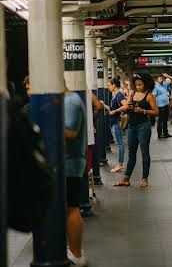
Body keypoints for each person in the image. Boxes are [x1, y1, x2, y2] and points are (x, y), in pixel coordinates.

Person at [115, 73, 158, 187]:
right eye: (136, 84)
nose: (138, 87)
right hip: (131, 126)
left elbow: (155, 111)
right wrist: (124, 108)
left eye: (140, 84)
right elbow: (127, 105)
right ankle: (126, 179)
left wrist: (142, 111)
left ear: (146, 84)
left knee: (144, 153)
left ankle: (145, 179)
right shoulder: (132, 93)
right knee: (131, 153)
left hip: (143, 126)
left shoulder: (149, 96)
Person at [64, 85, 88, 266]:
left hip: (70, 163)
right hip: (64, 162)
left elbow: (70, 132)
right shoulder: (66, 101)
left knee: (71, 207)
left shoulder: (70, 101)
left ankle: (76, 254)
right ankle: (71, 249)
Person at [100, 78, 126, 173]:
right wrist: (104, 105)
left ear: (114, 85)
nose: (108, 87)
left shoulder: (119, 95)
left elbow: (126, 105)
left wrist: (115, 111)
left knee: (120, 144)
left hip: (116, 122)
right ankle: (120, 164)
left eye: (109, 85)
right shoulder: (115, 95)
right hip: (114, 122)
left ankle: (120, 164)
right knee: (119, 143)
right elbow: (111, 108)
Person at [153, 73, 172, 139]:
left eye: (162, 78)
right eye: (160, 78)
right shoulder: (156, 86)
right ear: (157, 79)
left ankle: (165, 133)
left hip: (166, 105)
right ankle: (159, 134)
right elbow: (154, 96)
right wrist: (155, 105)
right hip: (160, 106)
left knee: (165, 120)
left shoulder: (165, 84)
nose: (161, 79)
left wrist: (167, 76)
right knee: (160, 120)